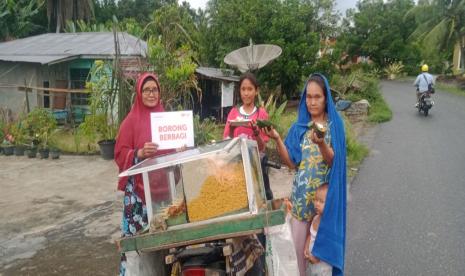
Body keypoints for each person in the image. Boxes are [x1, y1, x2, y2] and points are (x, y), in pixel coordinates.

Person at [265, 73, 347, 276]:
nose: (312, 102)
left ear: (326, 98)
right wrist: (277, 140)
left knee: (322, 265)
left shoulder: (334, 127)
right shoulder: (299, 128)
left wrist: (321, 144)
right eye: (308, 97)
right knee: (298, 260)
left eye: (317, 96)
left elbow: (334, 162)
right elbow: (292, 163)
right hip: (301, 204)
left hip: (324, 207)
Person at [114, 72, 172, 276]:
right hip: (138, 199)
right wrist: (138, 153)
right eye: (146, 90)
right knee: (137, 247)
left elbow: (172, 152)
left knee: (162, 244)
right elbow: (119, 153)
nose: (151, 94)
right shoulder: (130, 122)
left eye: (154, 89)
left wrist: (180, 149)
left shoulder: (165, 119)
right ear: (139, 93)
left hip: (163, 195)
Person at [223, 72, 272, 199]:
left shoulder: (261, 114)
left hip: (256, 169)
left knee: (259, 199)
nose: (246, 93)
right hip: (237, 168)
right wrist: (233, 130)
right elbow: (227, 143)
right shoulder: (233, 113)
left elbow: (262, 148)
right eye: (243, 89)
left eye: (250, 89)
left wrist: (256, 133)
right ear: (239, 91)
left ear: (256, 91)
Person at [304, 183, 332, 276]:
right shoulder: (315, 218)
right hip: (312, 261)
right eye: (315, 200)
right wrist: (306, 247)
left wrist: (317, 258)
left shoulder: (328, 224)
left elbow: (327, 245)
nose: (316, 204)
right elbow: (310, 235)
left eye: (321, 201)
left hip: (323, 265)